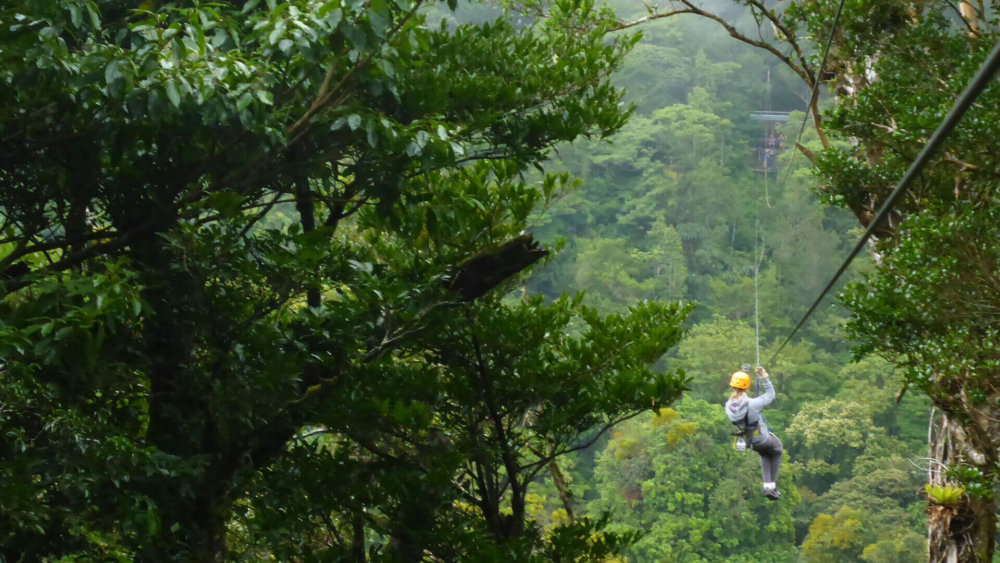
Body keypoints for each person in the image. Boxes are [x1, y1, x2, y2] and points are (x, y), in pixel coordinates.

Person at [725, 365, 783, 500]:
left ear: (733, 387)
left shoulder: (728, 405)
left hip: (749, 441)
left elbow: (741, 404)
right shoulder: (752, 404)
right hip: (761, 437)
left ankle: (767, 486)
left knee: (765, 453)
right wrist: (764, 377)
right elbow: (771, 395)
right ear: (748, 387)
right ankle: (772, 486)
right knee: (777, 448)